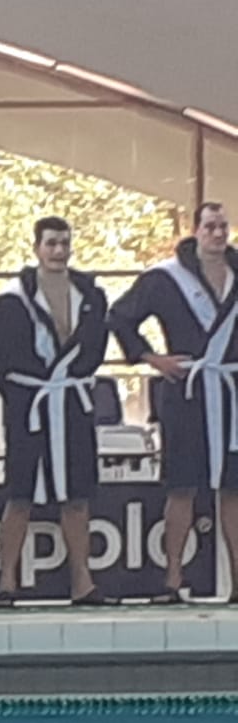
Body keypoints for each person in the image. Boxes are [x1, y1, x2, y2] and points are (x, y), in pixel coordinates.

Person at [108, 201, 238, 603]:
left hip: (232, 391)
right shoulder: (165, 279)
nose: (218, 233)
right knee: (182, 486)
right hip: (186, 391)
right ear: (195, 230)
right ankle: (172, 580)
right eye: (210, 226)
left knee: (233, 488)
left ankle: (237, 582)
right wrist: (152, 359)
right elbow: (120, 317)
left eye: (223, 226)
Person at [0, 217, 115, 606]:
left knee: (77, 495)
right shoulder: (12, 298)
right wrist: (20, 397)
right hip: (30, 405)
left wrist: (72, 378)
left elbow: (95, 347)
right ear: (36, 248)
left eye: (64, 243)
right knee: (20, 494)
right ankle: (6, 582)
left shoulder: (90, 295)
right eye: (51, 243)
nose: (59, 250)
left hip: (72, 404)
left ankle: (83, 582)